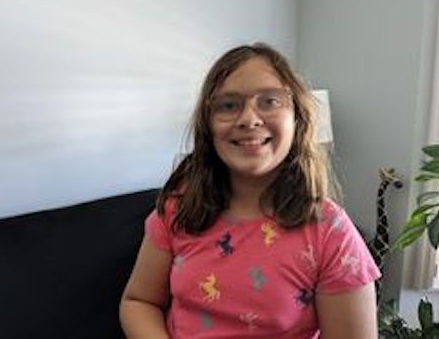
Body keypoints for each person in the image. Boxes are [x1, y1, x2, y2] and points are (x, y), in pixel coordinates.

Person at [119, 43, 380, 338]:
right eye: (229, 105)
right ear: (209, 125)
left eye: (269, 101)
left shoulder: (331, 233)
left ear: (297, 118)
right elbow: (139, 301)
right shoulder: (178, 209)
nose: (249, 119)